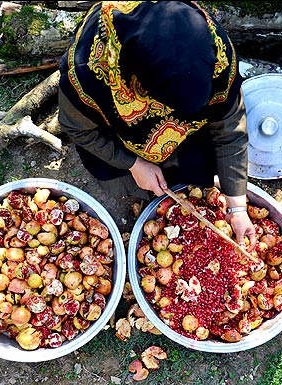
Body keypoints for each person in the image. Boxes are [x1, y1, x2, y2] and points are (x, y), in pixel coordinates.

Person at [58, 1, 256, 248]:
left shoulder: (215, 53)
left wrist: (237, 206)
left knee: (203, 158)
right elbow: (77, 128)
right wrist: (134, 164)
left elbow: (230, 127)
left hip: (187, 128)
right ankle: (142, 184)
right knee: (117, 174)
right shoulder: (90, 74)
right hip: (122, 134)